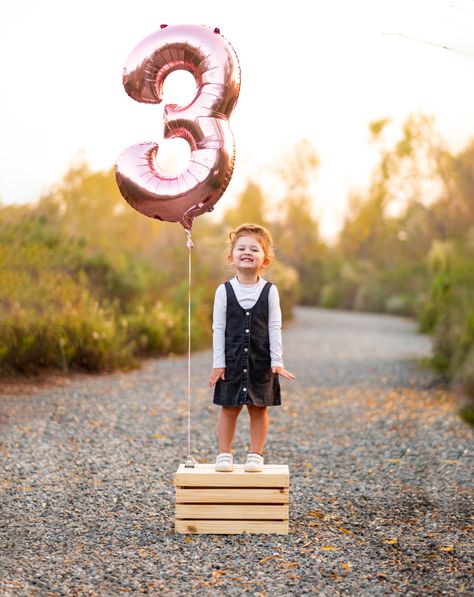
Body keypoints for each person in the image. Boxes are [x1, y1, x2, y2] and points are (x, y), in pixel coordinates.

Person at [208, 223, 295, 472]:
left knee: (259, 407)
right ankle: (224, 454)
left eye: (254, 249)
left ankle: (255, 454)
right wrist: (218, 363)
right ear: (231, 256)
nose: (247, 252)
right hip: (232, 360)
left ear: (265, 259)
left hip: (261, 360)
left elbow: (275, 326)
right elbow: (218, 328)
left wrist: (277, 361)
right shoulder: (223, 291)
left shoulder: (270, 291)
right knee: (229, 406)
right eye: (241, 248)